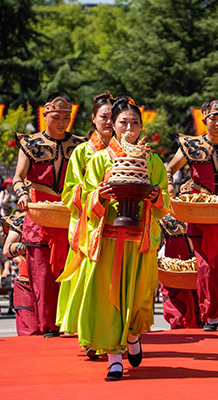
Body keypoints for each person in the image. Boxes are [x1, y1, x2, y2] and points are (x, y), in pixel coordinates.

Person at [58, 96, 168, 381]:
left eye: (135, 122)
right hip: (107, 240)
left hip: (140, 239)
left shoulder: (153, 160)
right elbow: (79, 198)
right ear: (113, 126)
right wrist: (98, 196)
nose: (129, 128)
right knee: (108, 300)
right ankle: (114, 358)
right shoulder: (98, 160)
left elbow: (165, 201)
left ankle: (132, 335)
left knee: (140, 296)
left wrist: (157, 197)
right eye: (123, 122)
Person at [165, 99, 218, 331]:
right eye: (213, 117)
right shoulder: (191, 146)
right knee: (204, 266)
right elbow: (169, 168)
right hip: (200, 211)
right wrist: (171, 185)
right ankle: (209, 315)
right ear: (204, 120)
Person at [12, 92, 87, 337]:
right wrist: (22, 195)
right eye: (56, 117)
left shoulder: (81, 145)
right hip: (39, 214)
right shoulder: (30, 143)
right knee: (43, 275)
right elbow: (18, 177)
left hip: (70, 214)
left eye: (66, 117)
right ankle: (49, 327)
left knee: (72, 271)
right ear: (45, 115)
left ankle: (73, 323)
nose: (62, 122)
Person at [56, 91, 115, 345]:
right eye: (104, 116)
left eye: (114, 117)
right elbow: (70, 191)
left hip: (116, 223)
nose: (109, 122)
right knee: (87, 281)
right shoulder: (82, 152)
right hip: (90, 225)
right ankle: (87, 332)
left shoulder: (124, 151)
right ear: (93, 118)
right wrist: (95, 195)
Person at [158, 213, 200, 329]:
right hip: (172, 273)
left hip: (198, 274)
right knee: (177, 319)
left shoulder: (202, 208)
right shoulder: (160, 209)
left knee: (201, 319)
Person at [2, 211, 41, 336]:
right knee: (30, 333)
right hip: (27, 284)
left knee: (53, 335)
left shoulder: (58, 213)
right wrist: (31, 246)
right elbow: (7, 250)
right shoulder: (22, 219)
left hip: (53, 283)